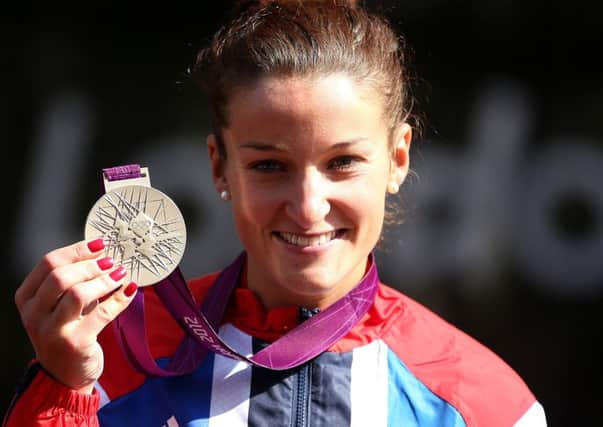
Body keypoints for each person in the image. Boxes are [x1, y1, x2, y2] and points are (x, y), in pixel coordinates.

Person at [5, 1, 546, 426]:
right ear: (218, 166)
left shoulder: (484, 405)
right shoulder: (113, 368)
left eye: (343, 162)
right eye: (269, 166)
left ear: (397, 159)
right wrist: (63, 390)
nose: (308, 207)